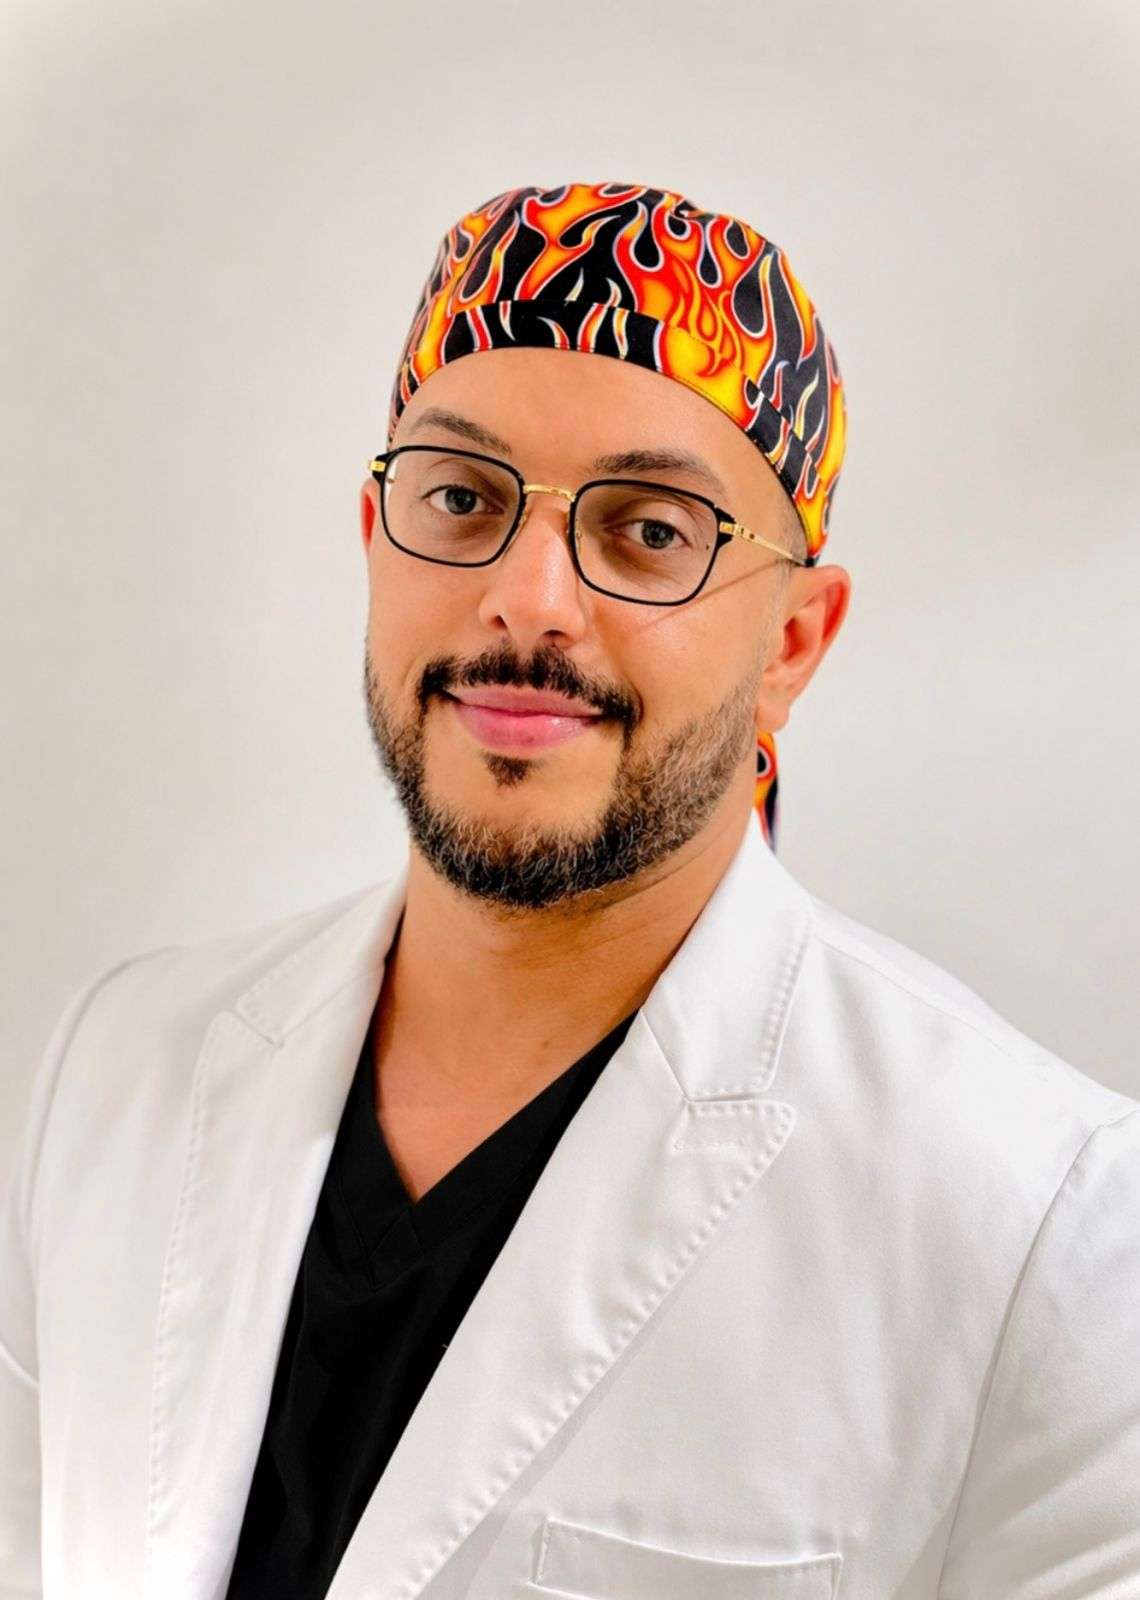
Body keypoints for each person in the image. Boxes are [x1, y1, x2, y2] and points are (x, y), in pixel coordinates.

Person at [2, 180, 1137, 1600]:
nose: (529, 599)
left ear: (794, 641)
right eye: (462, 499)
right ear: (375, 541)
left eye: (651, 530)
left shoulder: (1042, 1227)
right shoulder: (117, 1071)